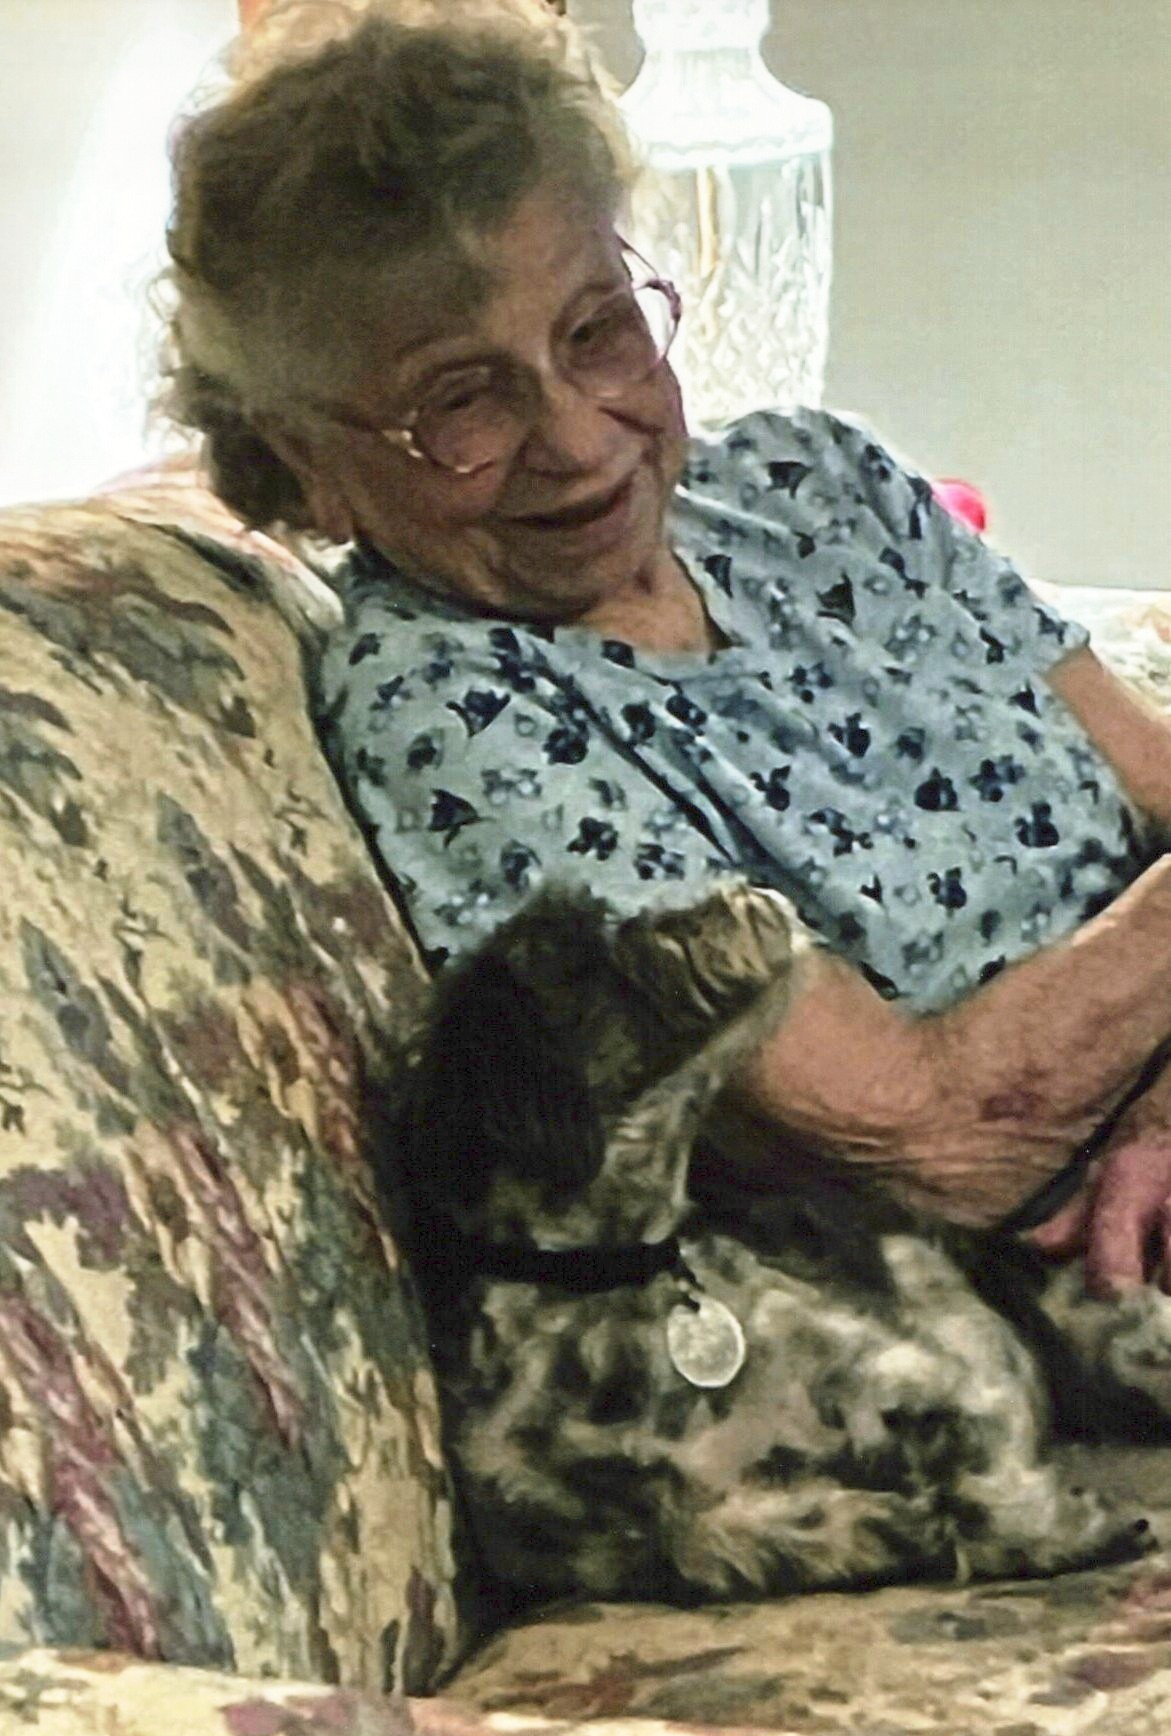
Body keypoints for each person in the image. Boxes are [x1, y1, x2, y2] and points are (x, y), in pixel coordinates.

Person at [160, 0, 1171, 1294]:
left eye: (597, 330)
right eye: (461, 401)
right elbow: (937, 1128)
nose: (579, 439)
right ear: (307, 464)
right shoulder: (447, 706)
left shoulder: (814, 478)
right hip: (1044, 1298)